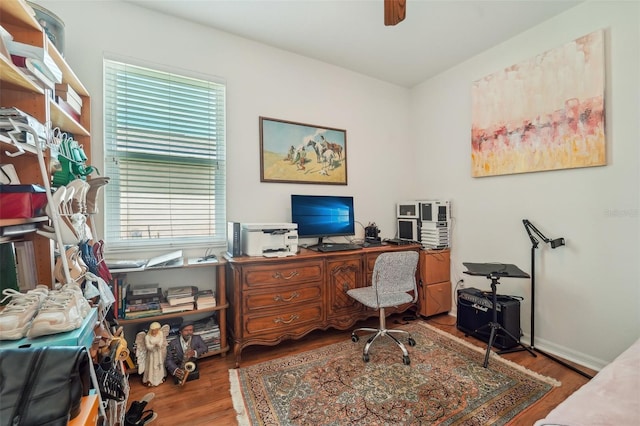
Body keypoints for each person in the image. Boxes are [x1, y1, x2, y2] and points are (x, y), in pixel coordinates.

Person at [134, 322, 170, 387]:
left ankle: (160, 378)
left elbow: (161, 342)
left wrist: (158, 345)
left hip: (158, 352)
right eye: (153, 330)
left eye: (156, 330)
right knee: (151, 366)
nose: (155, 331)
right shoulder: (147, 337)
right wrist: (153, 347)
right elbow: (147, 346)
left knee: (159, 365)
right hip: (151, 354)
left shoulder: (160, 334)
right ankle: (150, 380)